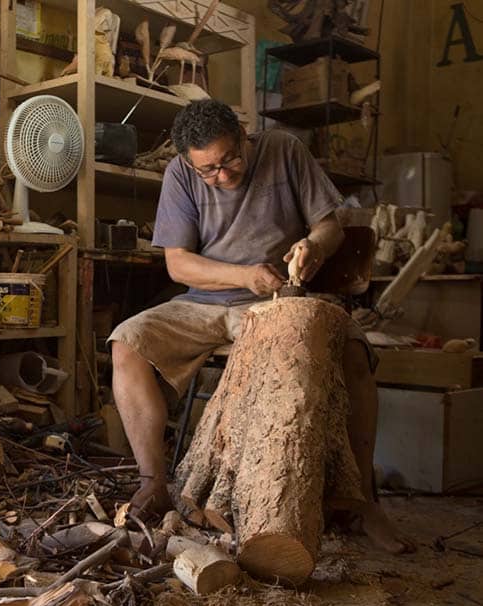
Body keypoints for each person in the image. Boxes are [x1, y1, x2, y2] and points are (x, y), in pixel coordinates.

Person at [109, 99, 414, 553]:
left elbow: (331, 227)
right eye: (208, 170)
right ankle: (153, 483)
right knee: (127, 343)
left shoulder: (284, 150)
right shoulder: (179, 174)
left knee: (353, 351)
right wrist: (242, 274)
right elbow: (178, 265)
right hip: (206, 302)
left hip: (279, 299)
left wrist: (313, 244)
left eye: (230, 159)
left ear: (243, 136)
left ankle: (364, 503)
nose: (223, 175)